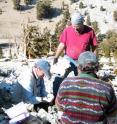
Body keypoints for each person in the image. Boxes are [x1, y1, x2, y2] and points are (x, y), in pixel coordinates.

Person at [55, 51, 117, 124]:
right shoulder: (107, 88)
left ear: (78, 67)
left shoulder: (66, 83)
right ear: (97, 68)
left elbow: (58, 106)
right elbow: (113, 114)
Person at [53, 11, 98, 77]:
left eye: (77, 26)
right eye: (74, 26)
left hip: (83, 61)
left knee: (80, 79)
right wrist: (56, 57)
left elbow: (94, 47)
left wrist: (95, 61)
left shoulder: (90, 31)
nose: (75, 28)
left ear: (82, 23)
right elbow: (62, 44)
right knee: (62, 77)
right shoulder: (67, 30)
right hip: (68, 59)